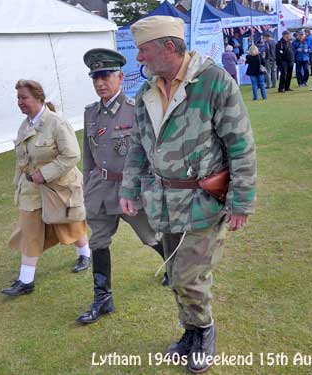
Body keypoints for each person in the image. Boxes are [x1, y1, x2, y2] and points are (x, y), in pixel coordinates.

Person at [123, 16, 257, 373]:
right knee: (175, 272)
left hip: (202, 202)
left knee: (187, 276)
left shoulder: (213, 82)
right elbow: (138, 144)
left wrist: (241, 201)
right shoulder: (147, 91)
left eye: (144, 50)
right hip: (163, 201)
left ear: (169, 47)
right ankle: (191, 332)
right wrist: (129, 188)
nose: (139, 58)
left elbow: (241, 145)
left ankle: (205, 331)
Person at [77, 48, 169, 325]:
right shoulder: (91, 113)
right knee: (98, 242)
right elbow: (88, 156)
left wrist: (151, 188)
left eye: (105, 76)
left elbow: (151, 152)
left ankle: (174, 266)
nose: (100, 83)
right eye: (95, 78)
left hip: (131, 189)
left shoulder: (135, 109)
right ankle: (102, 298)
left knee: (150, 236)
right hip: (100, 188)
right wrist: (87, 185)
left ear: (120, 77)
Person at [2, 80, 90, 296]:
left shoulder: (56, 123)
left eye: (24, 98)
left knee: (70, 225)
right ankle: (26, 281)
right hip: (31, 190)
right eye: (18, 99)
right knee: (28, 230)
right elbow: (22, 160)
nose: (20, 103)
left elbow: (72, 155)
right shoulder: (25, 126)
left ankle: (85, 254)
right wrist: (19, 185)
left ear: (38, 98)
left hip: (58, 187)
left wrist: (46, 173)